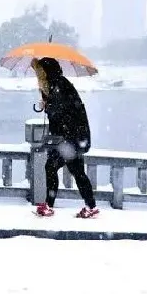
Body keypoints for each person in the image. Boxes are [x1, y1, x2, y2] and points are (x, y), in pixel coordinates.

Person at [31, 57, 99, 218]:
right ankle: (88, 206)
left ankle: (54, 205)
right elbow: (60, 110)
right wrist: (46, 103)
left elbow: (60, 112)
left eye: (40, 71)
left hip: (70, 138)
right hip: (68, 138)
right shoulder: (57, 84)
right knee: (69, 170)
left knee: (62, 169)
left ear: (47, 71)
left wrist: (47, 106)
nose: (38, 74)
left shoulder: (60, 85)